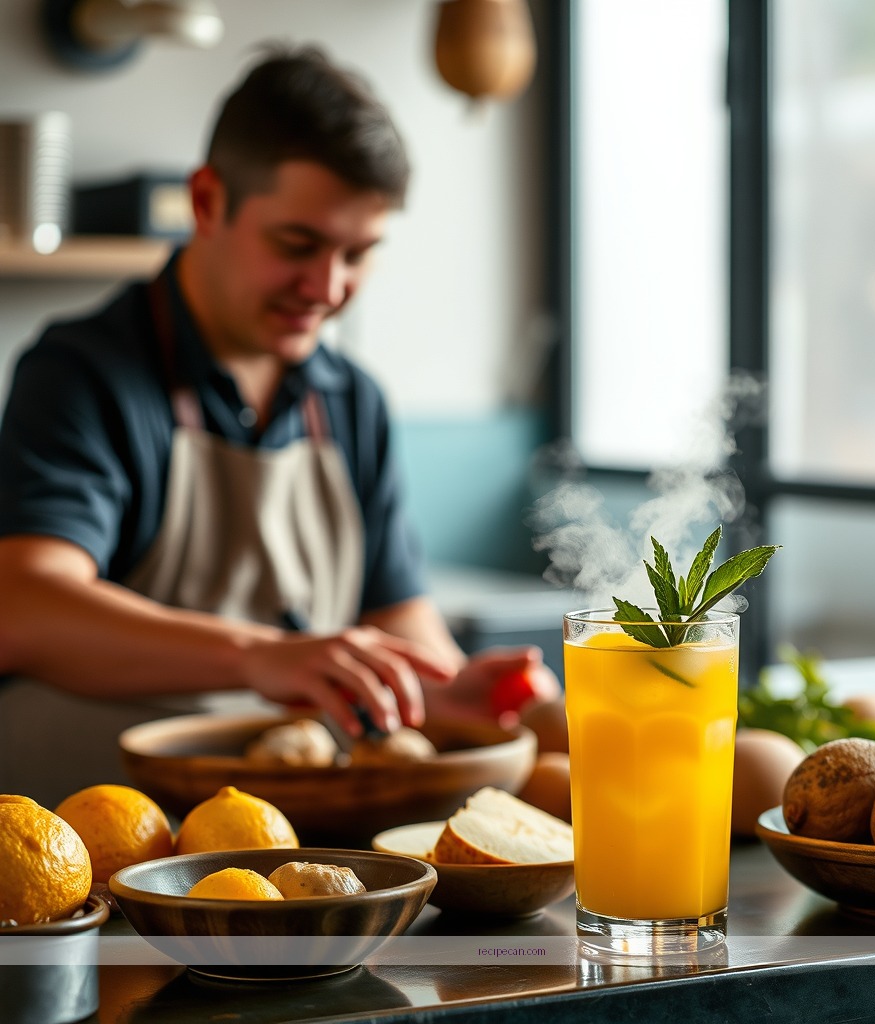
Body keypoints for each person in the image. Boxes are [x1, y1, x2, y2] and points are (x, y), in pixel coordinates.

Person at [0, 44, 560, 806]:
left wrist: (445, 687)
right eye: (297, 245)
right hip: (106, 830)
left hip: (306, 823)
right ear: (206, 203)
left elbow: (396, 616)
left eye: (358, 254)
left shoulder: (351, 400)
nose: (327, 288)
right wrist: (262, 657)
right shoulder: (84, 374)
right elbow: (26, 604)